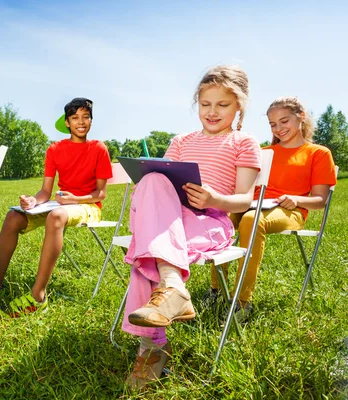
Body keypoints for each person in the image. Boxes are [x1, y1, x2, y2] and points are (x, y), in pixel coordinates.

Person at [121, 65, 262, 389]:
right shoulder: (181, 141)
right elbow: (161, 181)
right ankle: (172, 287)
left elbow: (243, 200)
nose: (212, 112)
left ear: (238, 106)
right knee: (153, 180)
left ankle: (151, 349)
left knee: (149, 246)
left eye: (222, 105)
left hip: (212, 221)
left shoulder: (243, 141)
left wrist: (214, 198)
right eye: (205, 104)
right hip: (169, 217)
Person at [0, 97, 113, 316]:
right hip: (60, 203)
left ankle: (38, 296)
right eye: (75, 117)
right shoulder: (55, 149)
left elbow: (101, 194)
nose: (81, 122)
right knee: (13, 216)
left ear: (91, 121)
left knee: (56, 215)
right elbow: (45, 192)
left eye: (86, 117)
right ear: (67, 122)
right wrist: (32, 201)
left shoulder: (98, 148)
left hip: (88, 205)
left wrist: (73, 200)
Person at [205, 96, 337, 321]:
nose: (279, 128)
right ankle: (217, 289)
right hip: (254, 204)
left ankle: (243, 301)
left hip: (291, 210)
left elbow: (320, 200)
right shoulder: (264, 152)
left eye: (284, 121)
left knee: (251, 221)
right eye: (273, 124)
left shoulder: (318, 153)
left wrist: (295, 199)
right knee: (222, 214)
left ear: (301, 117)